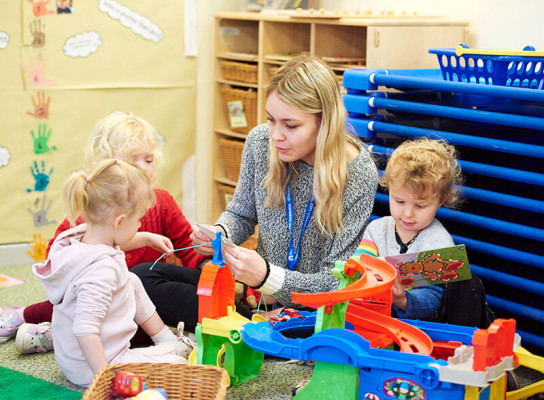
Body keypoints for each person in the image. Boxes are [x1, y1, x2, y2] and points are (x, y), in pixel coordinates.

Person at [133, 53, 379, 321]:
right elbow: (240, 214)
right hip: (254, 296)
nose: (276, 135)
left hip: (309, 311)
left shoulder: (357, 171)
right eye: (271, 119)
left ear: (325, 122)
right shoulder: (260, 142)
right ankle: (245, 322)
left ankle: (249, 327)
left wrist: (267, 277)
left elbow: (335, 283)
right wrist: (220, 232)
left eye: (291, 125)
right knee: (142, 278)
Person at [0, 111, 208, 349]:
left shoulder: (162, 201)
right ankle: (26, 317)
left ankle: (56, 337)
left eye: (148, 160)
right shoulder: (94, 207)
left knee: (143, 331)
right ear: (108, 165)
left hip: (138, 300)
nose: (144, 168)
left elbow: (186, 246)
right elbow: (58, 255)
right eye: (133, 161)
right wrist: (139, 240)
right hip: (94, 297)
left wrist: (205, 267)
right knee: (78, 306)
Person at [32, 159, 193, 387]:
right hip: (95, 365)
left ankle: (164, 339)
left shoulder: (83, 237)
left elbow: (117, 242)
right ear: (119, 221)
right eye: (139, 221)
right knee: (178, 364)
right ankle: (168, 347)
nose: (140, 226)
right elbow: (85, 331)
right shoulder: (100, 272)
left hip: (77, 358)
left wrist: (147, 238)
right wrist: (106, 377)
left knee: (132, 279)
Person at [362, 137, 493, 327]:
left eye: (421, 205)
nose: (408, 213)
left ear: (441, 201)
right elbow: (360, 264)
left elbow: (433, 302)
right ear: (389, 190)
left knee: (469, 282)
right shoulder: (376, 230)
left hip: (421, 327)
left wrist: (403, 300)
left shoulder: (439, 243)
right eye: (399, 201)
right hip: (373, 318)